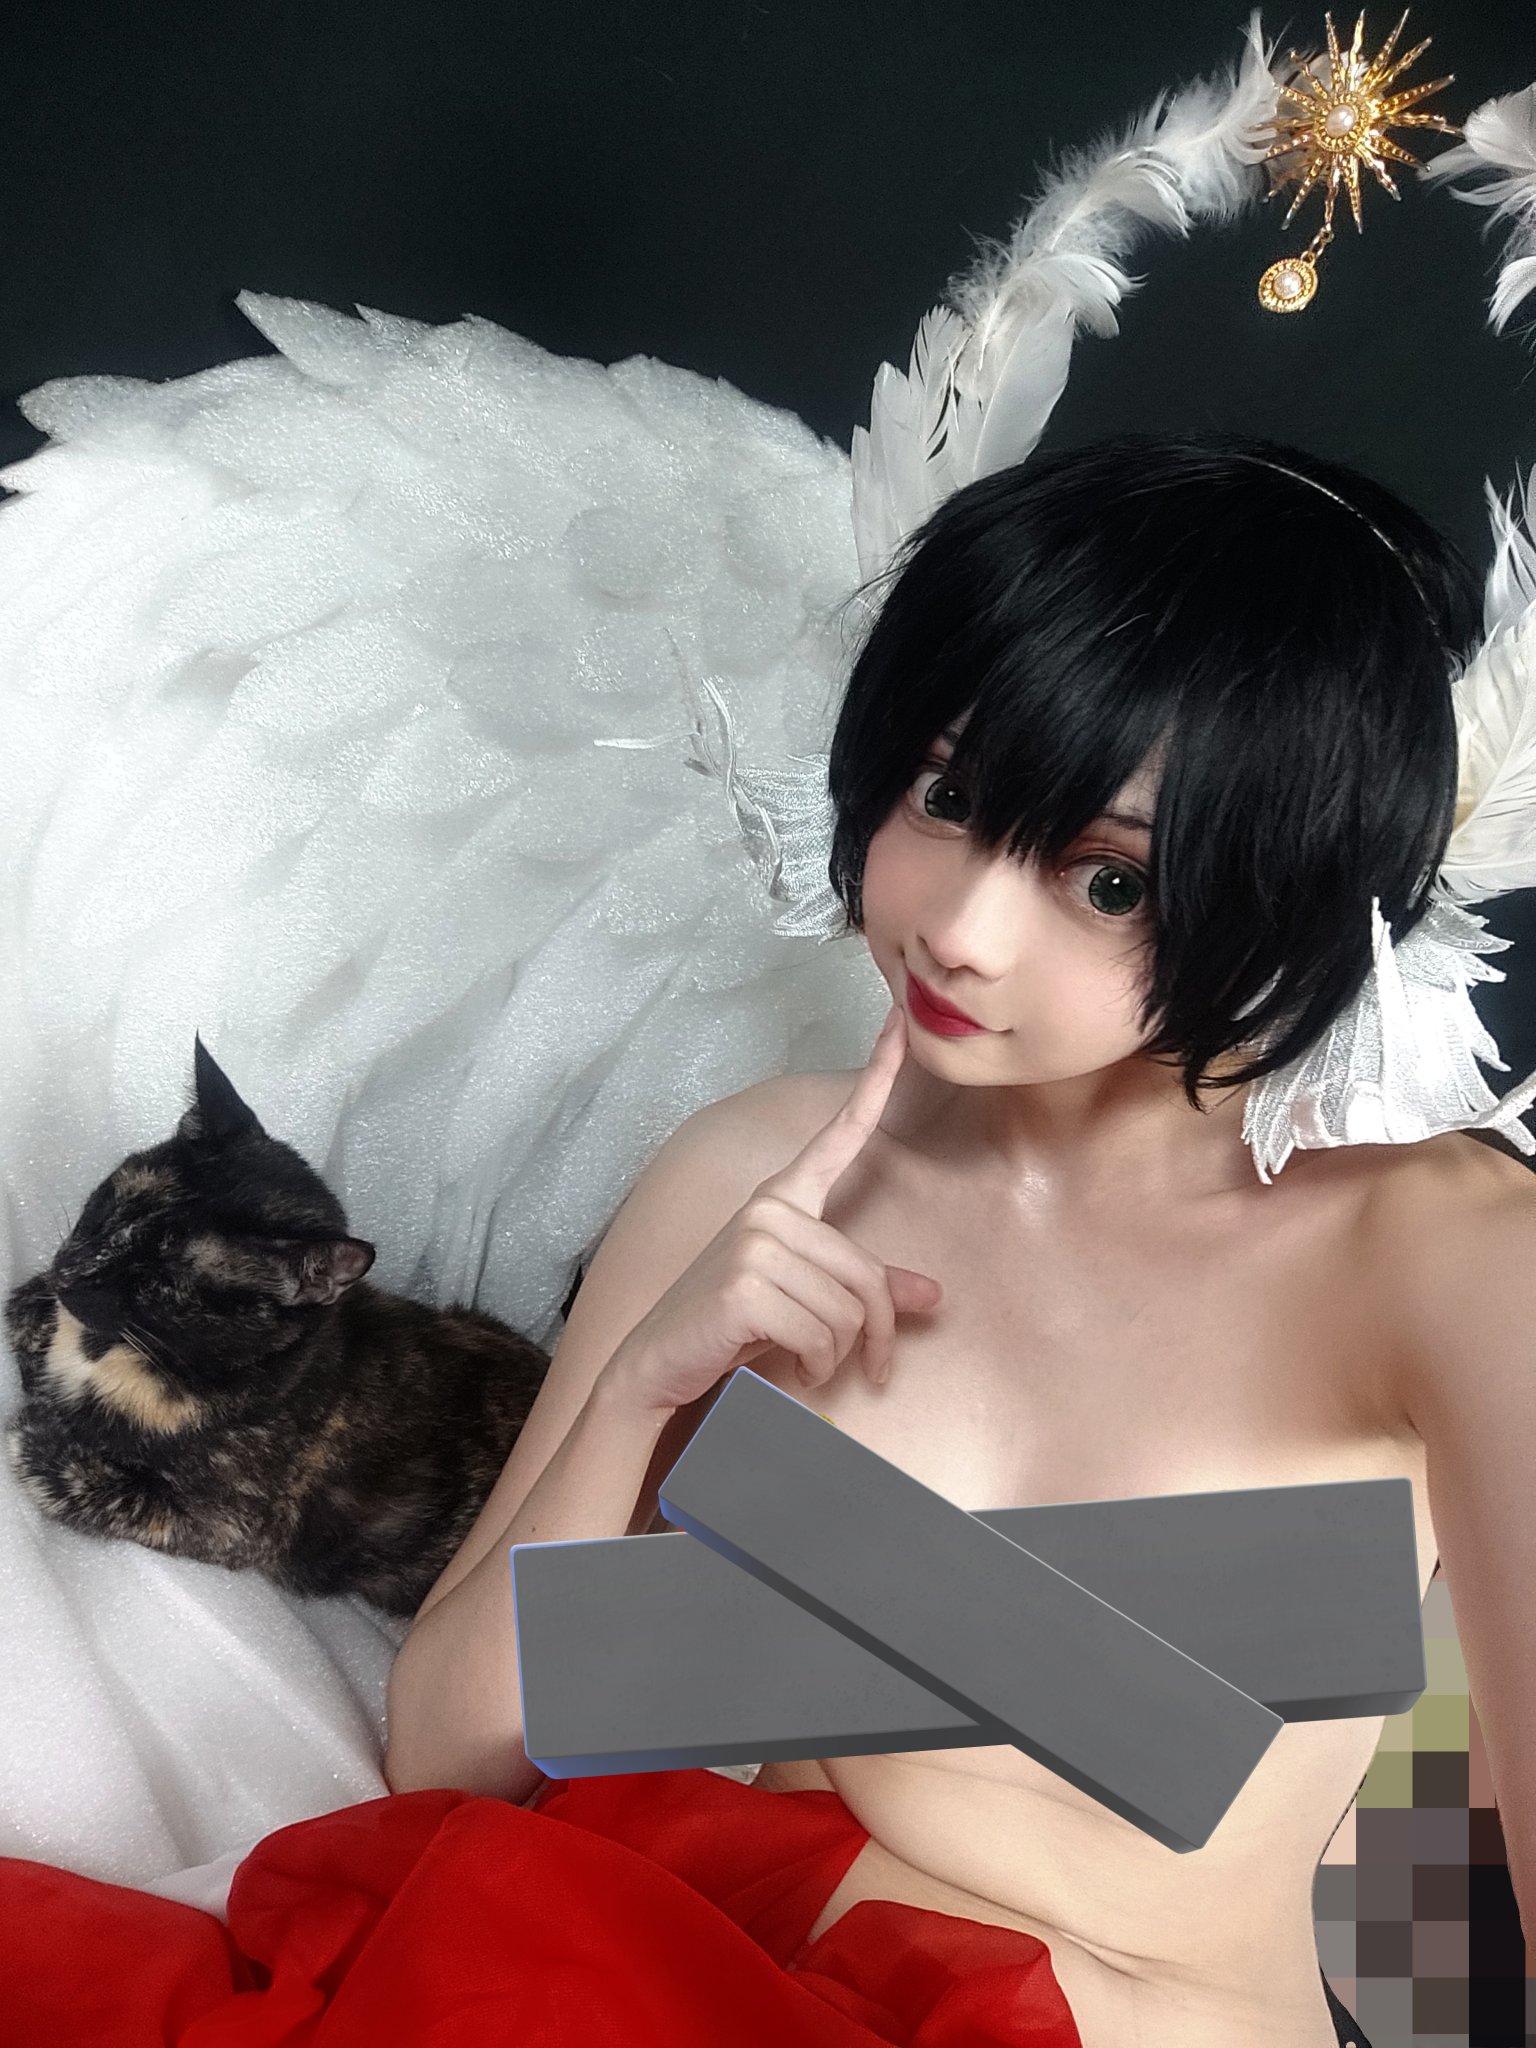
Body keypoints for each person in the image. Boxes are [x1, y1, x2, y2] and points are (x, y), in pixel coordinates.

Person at [384, 430, 1536, 2048]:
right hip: (700, 1971)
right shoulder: (762, 1176)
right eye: (950, 796)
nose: (963, 930)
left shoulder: (1443, 1257)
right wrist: (641, 1393)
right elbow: (443, 1769)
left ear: (1288, 886)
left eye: (1111, 884)